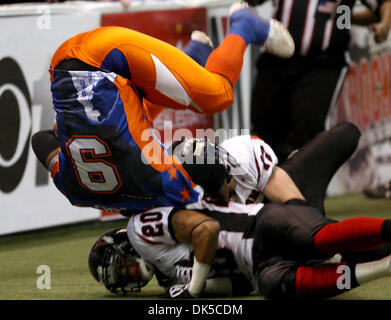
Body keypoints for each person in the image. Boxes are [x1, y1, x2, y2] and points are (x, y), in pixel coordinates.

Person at [31, 4, 294, 214]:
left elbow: (209, 209)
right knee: (135, 121)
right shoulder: (76, 192)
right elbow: (40, 139)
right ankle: (194, 56)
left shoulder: (165, 184)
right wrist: (68, 130)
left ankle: (244, 25)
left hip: (106, 57)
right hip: (66, 63)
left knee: (217, 95)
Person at [88, 200, 391, 299]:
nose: (128, 276)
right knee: (274, 287)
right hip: (260, 267)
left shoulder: (140, 230)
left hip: (262, 226)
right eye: (121, 278)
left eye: (121, 268)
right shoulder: (169, 284)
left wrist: (194, 287)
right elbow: (240, 285)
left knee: (319, 239)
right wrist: (202, 288)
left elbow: (207, 230)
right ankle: (384, 268)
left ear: (124, 246)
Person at [247, 0, 391, 162]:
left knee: (309, 124)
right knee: (264, 124)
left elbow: (383, 4)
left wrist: (384, 25)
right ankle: (266, 180)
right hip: (276, 60)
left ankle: (306, 183)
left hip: (322, 63)